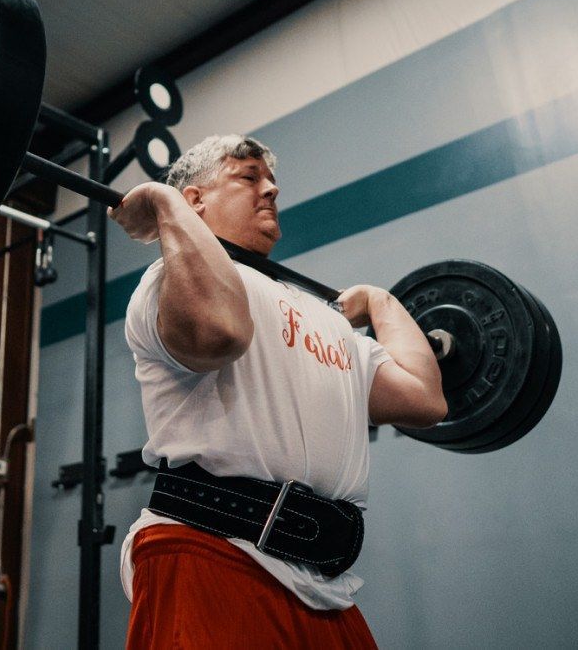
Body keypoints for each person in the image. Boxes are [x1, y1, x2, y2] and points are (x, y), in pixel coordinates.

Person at [109, 134, 447, 650]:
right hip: (209, 551)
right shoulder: (169, 282)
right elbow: (217, 335)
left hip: (324, 586)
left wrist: (382, 302)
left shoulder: (323, 319)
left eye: (271, 182)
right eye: (248, 177)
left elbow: (424, 401)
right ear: (195, 199)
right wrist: (162, 203)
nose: (270, 190)